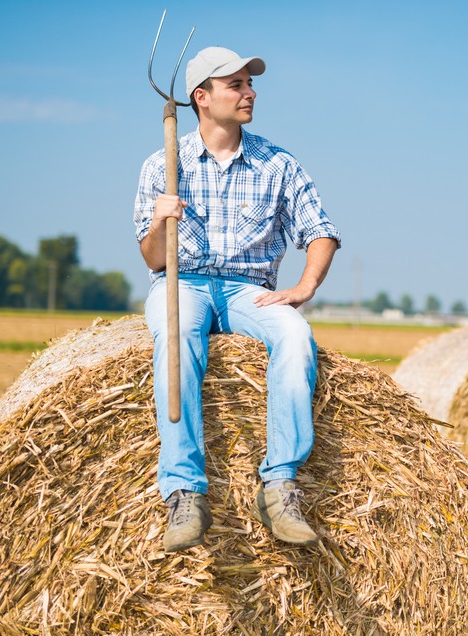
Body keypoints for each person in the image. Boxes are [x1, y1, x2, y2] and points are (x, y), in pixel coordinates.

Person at [133, 46, 340, 552]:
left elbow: (321, 231)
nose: (250, 93)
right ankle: (184, 492)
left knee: (295, 334)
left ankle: (280, 484)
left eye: (250, 84)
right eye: (237, 85)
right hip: (183, 282)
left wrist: (304, 288)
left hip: (251, 289)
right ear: (202, 98)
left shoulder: (278, 163)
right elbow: (152, 259)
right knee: (177, 335)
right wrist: (162, 219)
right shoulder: (163, 163)